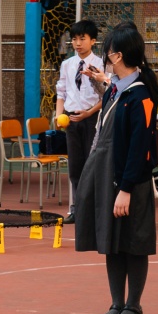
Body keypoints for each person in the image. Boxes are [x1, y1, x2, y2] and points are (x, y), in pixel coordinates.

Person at [72, 21, 158, 314]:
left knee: (134, 243)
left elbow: (140, 148)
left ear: (118, 55)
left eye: (108, 52)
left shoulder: (141, 96)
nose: (105, 56)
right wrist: (102, 82)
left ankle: (133, 305)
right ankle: (116, 304)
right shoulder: (116, 90)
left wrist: (126, 188)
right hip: (111, 178)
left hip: (130, 182)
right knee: (111, 241)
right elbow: (112, 93)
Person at [55, 19, 107, 191]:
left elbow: (107, 95)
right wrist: (59, 115)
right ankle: (77, 203)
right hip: (71, 118)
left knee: (91, 162)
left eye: (82, 39)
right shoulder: (67, 64)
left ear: (93, 41)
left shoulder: (101, 64)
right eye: (74, 39)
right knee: (75, 165)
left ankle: (91, 203)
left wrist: (89, 112)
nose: (77, 43)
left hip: (92, 118)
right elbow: (61, 93)